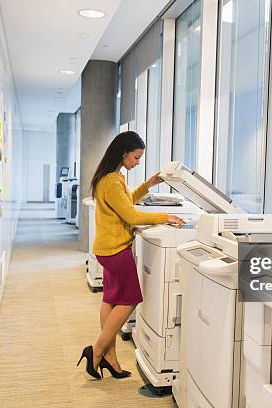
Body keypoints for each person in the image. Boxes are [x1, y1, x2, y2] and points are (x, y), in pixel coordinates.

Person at [77, 131, 186, 380]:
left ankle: (110, 357)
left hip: (106, 249)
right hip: (116, 250)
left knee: (111, 300)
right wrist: (165, 217)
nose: (137, 162)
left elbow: (126, 203)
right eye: (136, 157)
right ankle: (95, 351)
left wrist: (147, 186)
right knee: (130, 299)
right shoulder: (112, 181)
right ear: (123, 152)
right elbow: (132, 215)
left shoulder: (112, 177)